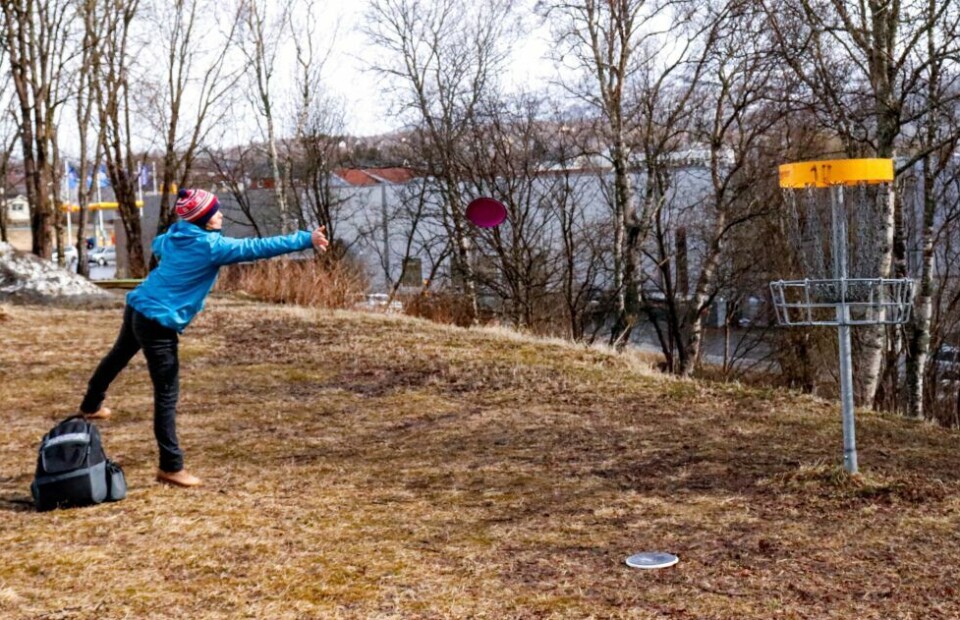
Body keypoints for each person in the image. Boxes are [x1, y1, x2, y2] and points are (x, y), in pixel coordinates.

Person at [78, 188, 329, 488]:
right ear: (203, 220)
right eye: (215, 212)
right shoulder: (211, 247)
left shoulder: (175, 235)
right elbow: (258, 247)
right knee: (166, 394)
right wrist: (306, 239)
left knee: (117, 357)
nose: (220, 215)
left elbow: (159, 245)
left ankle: (91, 404)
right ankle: (171, 467)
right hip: (158, 321)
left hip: (138, 306)